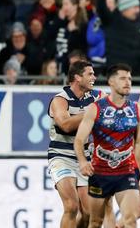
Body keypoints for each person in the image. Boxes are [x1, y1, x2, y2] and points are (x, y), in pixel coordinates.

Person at [74, 63, 140, 228]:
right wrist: (82, 161)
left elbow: (139, 143)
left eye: (129, 78)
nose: (128, 82)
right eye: (122, 78)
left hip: (125, 173)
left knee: (130, 221)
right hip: (99, 173)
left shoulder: (136, 109)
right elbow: (79, 140)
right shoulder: (96, 108)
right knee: (95, 222)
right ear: (111, 82)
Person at [48, 60, 103, 228]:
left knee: (88, 213)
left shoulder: (96, 96)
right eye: (90, 74)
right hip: (61, 156)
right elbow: (65, 124)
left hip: (85, 158)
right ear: (77, 77)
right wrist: (92, 112)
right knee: (71, 206)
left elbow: (114, 107)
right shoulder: (60, 100)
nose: (94, 77)